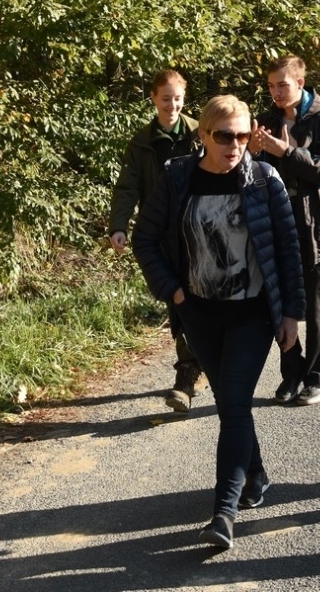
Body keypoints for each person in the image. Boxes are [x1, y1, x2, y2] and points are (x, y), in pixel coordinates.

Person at [131, 96, 305, 549]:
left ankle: (223, 514)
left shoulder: (265, 180)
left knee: (232, 402)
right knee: (235, 403)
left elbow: (288, 252)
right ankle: (256, 475)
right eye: (224, 136)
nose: (235, 145)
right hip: (199, 312)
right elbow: (145, 238)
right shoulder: (177, 177)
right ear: (204, 135)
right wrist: (172, 289)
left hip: (252, 313)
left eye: (244, 136)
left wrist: (291, 314)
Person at [109, 69, 205, 412]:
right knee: (178, 301)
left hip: (200, 232)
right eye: (166, 99)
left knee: (202, 300)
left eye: (178, 98)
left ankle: (198, 365)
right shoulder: (141, 142)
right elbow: (128, 186)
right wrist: (118, 225)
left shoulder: (199, 132)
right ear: (153, 98)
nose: (172, 105)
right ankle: (188, 373)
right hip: (163, 237)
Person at [251, 56, 320, 407]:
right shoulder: (267, 121)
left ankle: (317, 378)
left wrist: (286, 151)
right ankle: (291, 372)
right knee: (281, 304)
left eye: (283, 85)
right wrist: (254, 151)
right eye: (272, 85)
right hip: (277, 224)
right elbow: (252, 170)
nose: (276, 92)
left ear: (300, 83)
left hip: (315, 226)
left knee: (316, 308)